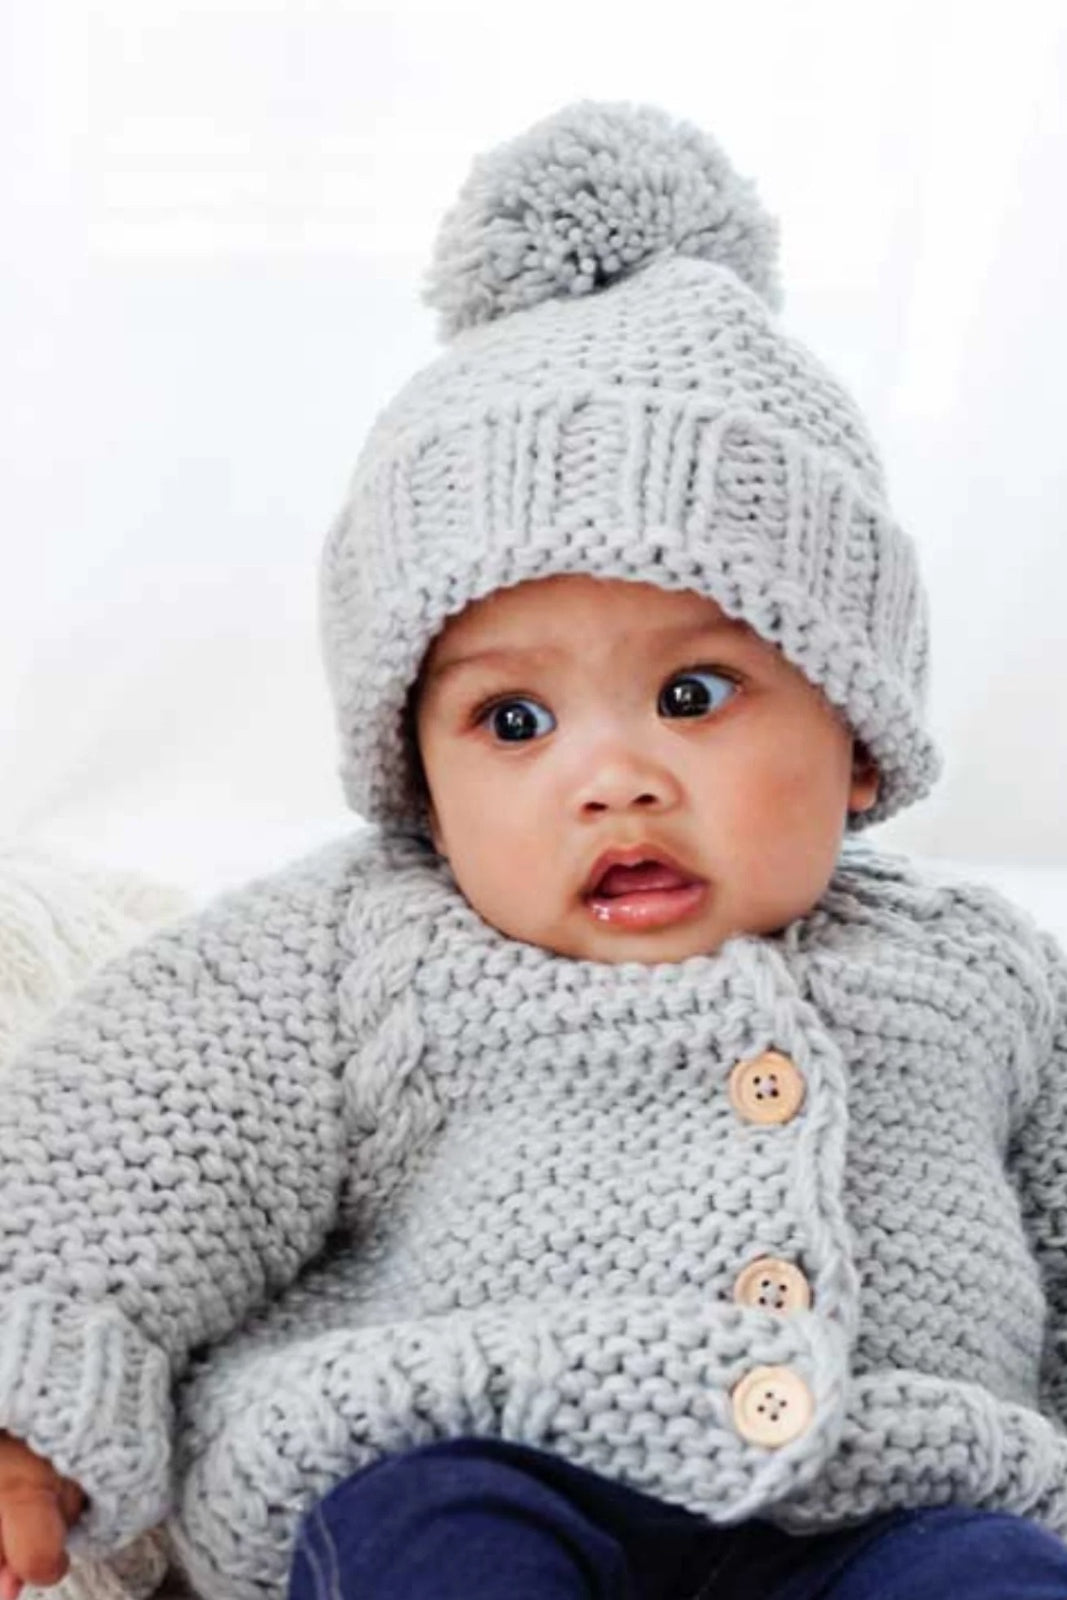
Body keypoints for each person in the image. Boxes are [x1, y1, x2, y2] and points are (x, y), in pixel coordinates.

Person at [3, 97, 1067, 1600]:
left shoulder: (985, 975)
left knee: (996, 1575)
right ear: (418, 780)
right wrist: (27, 1404)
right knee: (420, 1540)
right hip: (479, 1450)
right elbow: (114, 1146)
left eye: (694, 696)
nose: (613, 778)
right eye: (512, 721)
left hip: (889, 1504)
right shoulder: (364, 947)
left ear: (860, 732)